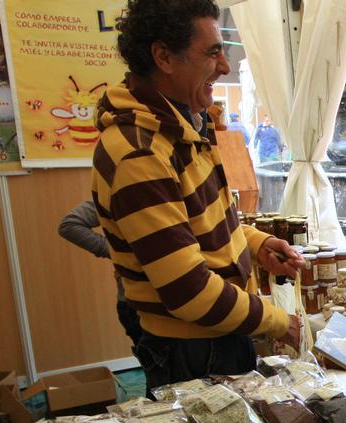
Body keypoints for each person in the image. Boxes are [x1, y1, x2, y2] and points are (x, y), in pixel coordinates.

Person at [93, 0, 302, 391]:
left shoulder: (180, 125)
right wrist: (277, 320)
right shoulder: (140, 151)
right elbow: (189, 292)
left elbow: (207, 221)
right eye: (212, 52)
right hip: (192, 349)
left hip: (217, 334)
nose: (224, 66)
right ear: (164, 57)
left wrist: (255, 244)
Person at [57, 200, 144, 351]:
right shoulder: (118, 192)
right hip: (137, 303)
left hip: (180, 300)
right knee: (161, 368)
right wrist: (120, 254)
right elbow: (70, 225)